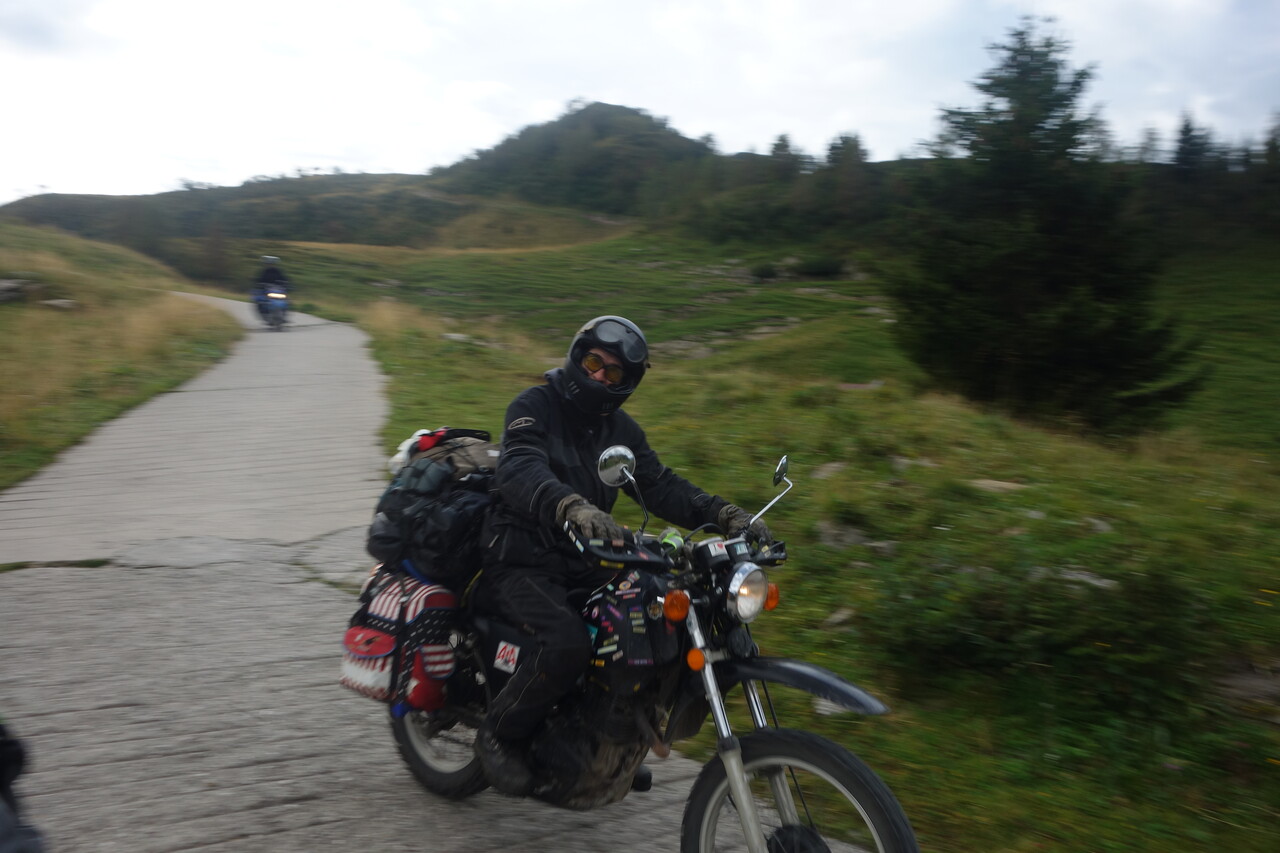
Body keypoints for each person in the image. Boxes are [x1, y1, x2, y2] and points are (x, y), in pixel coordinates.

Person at [473, 315, 769, 796]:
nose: (598, 376)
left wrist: (723, 512)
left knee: (644, 624)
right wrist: (568, 505)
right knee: (567, 643)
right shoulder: (534, 405)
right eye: (593, 362)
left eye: (612, 372)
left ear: (626, 383)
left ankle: (603, 739)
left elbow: (659, 485)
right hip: (521, 554)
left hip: (585, 558)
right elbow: (519, 466)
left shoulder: (621, 430)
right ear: (577, 356)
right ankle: (498, 734)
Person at [249, 256, 290, 322]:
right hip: (266, 289)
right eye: (269, 264)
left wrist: (286, 284)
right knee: (260, 300)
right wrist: (259, 284)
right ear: (266, 264)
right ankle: (264, 314)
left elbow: (284, 279)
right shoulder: (264, 272)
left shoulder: (278, 272)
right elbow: (259, 280)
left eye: (272, 264)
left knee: (287, 301)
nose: (271, 265)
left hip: (277, 289)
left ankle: (284, 315)